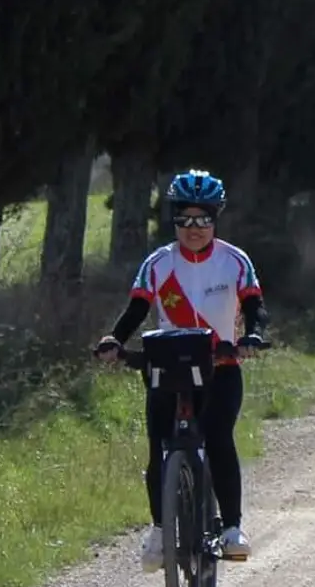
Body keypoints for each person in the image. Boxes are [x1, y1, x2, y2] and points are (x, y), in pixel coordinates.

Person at [94, 169, 267, 563]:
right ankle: (159, 530)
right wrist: (114, 340)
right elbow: (138, 307)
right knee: (159, 449)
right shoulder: (158, 263)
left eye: (203, 219)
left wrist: (252, 336)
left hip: (221, 368)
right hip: (168, 370)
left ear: (215, 219)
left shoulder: (234, 261)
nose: (194, 228)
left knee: (219, 437)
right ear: (174, 220)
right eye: (184, 219)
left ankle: (231, 528)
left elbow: (255, 306)